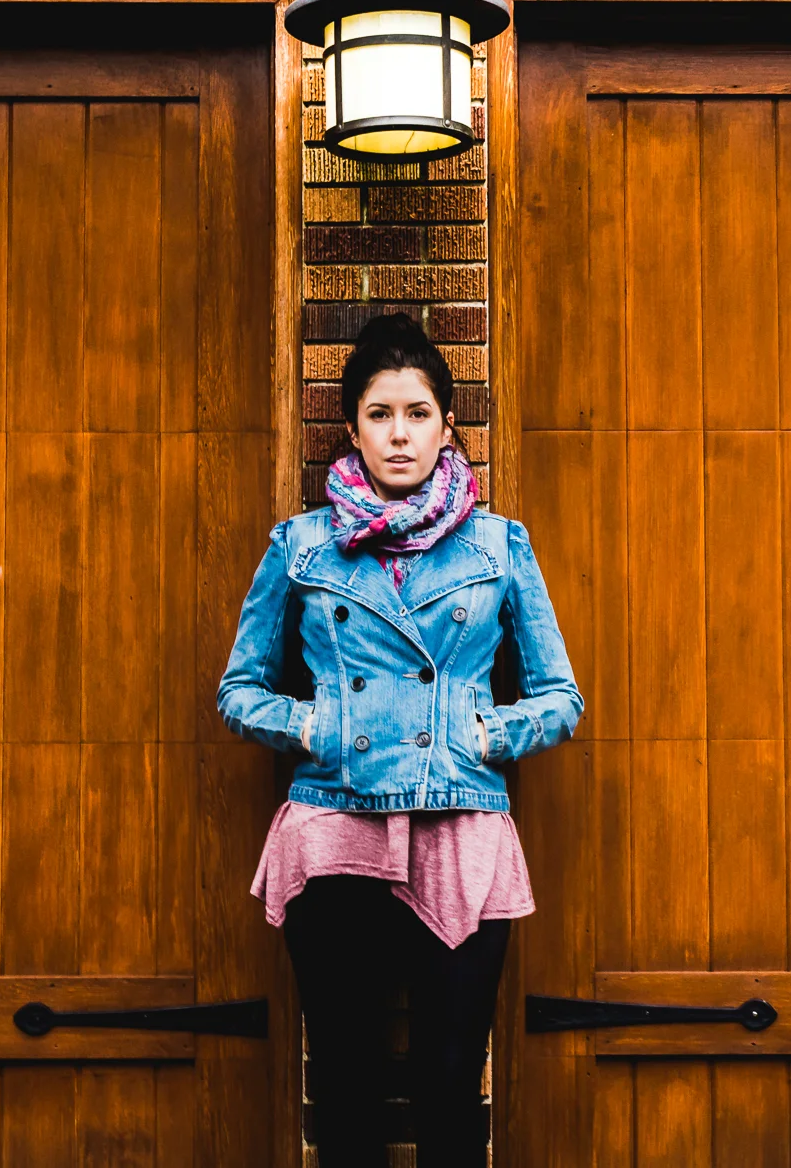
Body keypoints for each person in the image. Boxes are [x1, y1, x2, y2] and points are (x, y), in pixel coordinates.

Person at [216, 311, 583, 1167]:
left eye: (418, 413)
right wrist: (319, 724)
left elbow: (560, 698)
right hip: (334, 821)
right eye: (380, 415)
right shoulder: (301, 546)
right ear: (351, 428)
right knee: (344, 1087)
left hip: (460, 824)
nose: (400, 434)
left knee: (449, 1089)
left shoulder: (498, 544)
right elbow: (239, 691)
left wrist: (477, 730)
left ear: (447, 424)